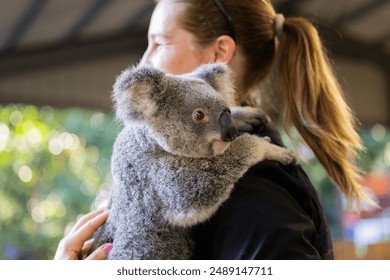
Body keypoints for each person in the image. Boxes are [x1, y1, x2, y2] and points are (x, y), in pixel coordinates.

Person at [55, 0, 371, 259]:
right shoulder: (185, 160)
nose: (143, 61)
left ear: (219, 55)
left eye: (159, 42)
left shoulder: (253, 185)